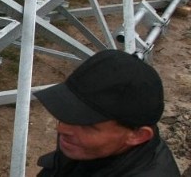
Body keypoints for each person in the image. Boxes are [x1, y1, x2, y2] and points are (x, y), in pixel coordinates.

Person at [35, 49, 181, 176]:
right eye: (69, 112)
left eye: (87, 125)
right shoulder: (89, 146)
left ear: (137, 135)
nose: (62, 128)